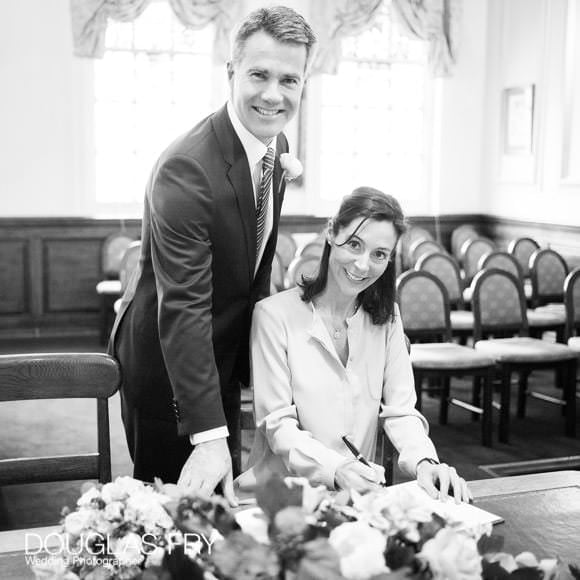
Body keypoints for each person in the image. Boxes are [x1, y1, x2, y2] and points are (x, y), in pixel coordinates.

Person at [108, 6, 317, 504]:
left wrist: (263, 370)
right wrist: (205, 434)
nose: (273, 94)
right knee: (169, 525)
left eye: (290, 79)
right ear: (231, 73)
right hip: (166, 366)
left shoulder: (274, 143)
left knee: (221, 515)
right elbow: (182, 307)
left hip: (218, 354)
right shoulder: (188, 167)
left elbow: (253, 272)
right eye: (259, 75)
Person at [236, 187, 472, 502]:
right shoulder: (273, 315)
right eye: (355, 245)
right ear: (331, 232)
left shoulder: (387, 318)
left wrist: (425, 461)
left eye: (379, 254)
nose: (363, 265)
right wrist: (337, 469)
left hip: (356, 498)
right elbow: (278, 426)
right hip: (278, 497)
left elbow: (401, 409)